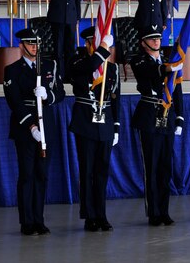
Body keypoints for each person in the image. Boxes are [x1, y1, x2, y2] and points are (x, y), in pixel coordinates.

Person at [3, 28, 65, 235]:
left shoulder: (49, 65)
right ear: (21, 46)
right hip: (25, 127)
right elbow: (14, 101)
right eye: (29, 44)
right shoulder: (12, 69)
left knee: (42, 174)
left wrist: (48, 95)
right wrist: (31, 126)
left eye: (36, 43)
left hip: (46, 125)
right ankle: (27, 222)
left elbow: (61, 93)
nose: (33, 47)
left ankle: (39, 219)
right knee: (27, 174)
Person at [130, 25, 184, 226]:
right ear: (143, 43)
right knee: (151, 167)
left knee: (165, 168)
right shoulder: (139, 60)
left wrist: (180, 118)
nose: (156, 42)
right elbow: (151, 72)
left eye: (158, 39)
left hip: (167, 117)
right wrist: (169, 68)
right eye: (151, 39)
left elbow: (176, 91)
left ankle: (164, 211)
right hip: (149, 117)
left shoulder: (169, 62)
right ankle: (153, 212)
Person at [68, 26, 120, 232]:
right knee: (88, 170)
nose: (101, 47)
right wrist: (104, 49)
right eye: (96, 43)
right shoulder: (77, 61)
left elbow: (115, 98)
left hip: (105, 122)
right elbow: (91, 65)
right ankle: (90, 216)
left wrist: (116, 126)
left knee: (102, 172)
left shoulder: (112, 68)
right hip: (85, 122)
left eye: (103, 43)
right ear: (88, 44)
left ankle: (101, 214)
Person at [40, 0, 82, 78]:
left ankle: (70, 75)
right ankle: (59, 75)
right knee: (58, 48)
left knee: (70, 48)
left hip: (71, 18)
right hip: (57, 18)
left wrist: (78, 17)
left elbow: (77, 0)